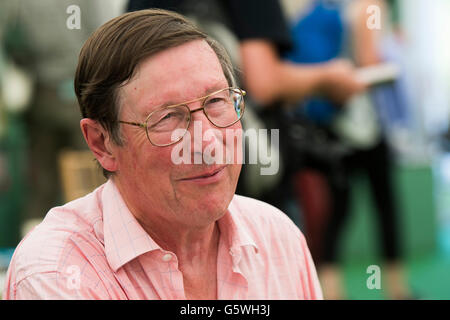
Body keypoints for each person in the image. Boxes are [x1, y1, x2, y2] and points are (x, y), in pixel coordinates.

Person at [3, 9, 322, 300]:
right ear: (102, 143)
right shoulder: (58, 273)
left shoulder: (277, 239)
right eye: (168, 117)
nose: (206, 143)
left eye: (216, 102)